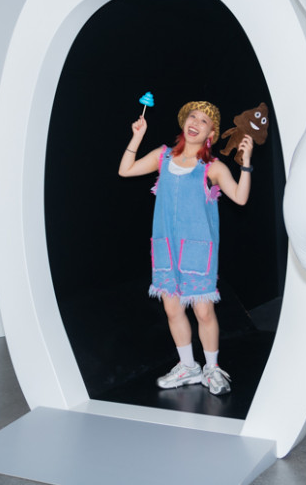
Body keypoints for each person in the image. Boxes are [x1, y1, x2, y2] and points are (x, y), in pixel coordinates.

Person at [119, 100, 254, 396]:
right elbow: (125, 170)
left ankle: (212, 369)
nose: (196, 122)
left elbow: (240, 198)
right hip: (165, 246)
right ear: (184, 123)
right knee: (172, 308)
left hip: (197, 250)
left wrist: (245, 164)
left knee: (203, 311)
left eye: (204, 121)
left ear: (211, 133)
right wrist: (138, 136)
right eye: (192, 116)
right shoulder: (162, 156)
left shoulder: (213, 167)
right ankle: (188, 366)